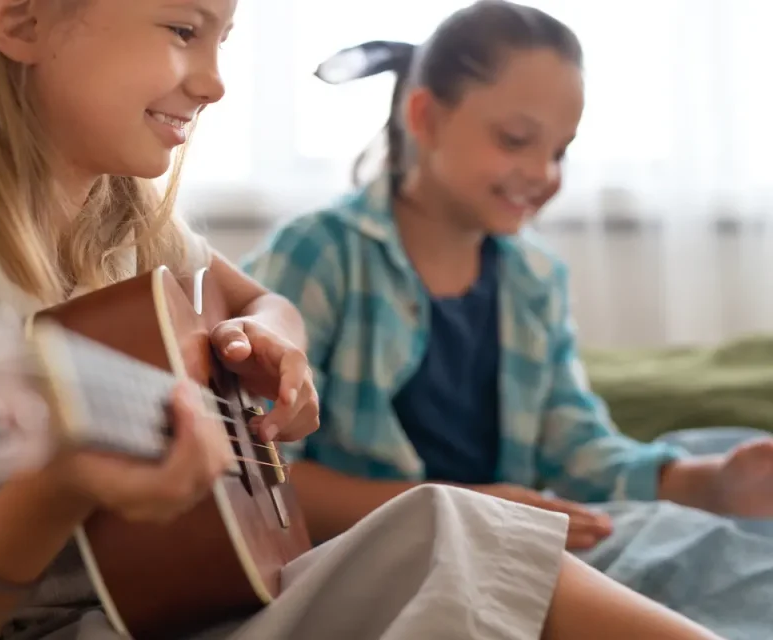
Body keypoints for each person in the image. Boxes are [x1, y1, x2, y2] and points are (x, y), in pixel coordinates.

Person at [0, 1, 723, 639]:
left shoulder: (122, 215)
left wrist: (283, 345)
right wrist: (56, 488)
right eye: (185, 28)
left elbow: (258, 300)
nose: (215, 81)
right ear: (21, 15)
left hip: (153, 606)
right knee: (451, 531)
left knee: (455, 545)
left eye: (225, 38)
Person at [241, 0, 773, 637]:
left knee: (710, 545)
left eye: (561, 151)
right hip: (384, 563)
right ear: (425, 117)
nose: (544, 174)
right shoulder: (319, 255)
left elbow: (578, 450)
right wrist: (459, 510)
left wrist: (705, 484)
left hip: (523, 545)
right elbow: (260, 476)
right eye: (516, 141)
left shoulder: (535, 280)